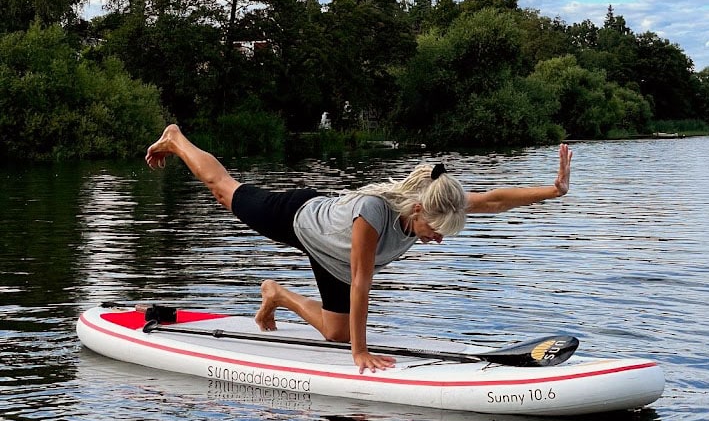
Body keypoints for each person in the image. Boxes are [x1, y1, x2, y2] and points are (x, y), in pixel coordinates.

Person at [145, 124, 573, 374]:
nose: (437, 239)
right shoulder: (373, 214)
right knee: (224, 190)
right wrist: (360, 354)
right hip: (299, 217)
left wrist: (552, 192)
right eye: (435, 230)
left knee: (335, 331)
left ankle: (277, 293)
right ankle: (177, 138)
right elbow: (362, 283)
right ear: (418, 209)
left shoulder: (439, 201)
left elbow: (495, 199)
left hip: (331, 253)